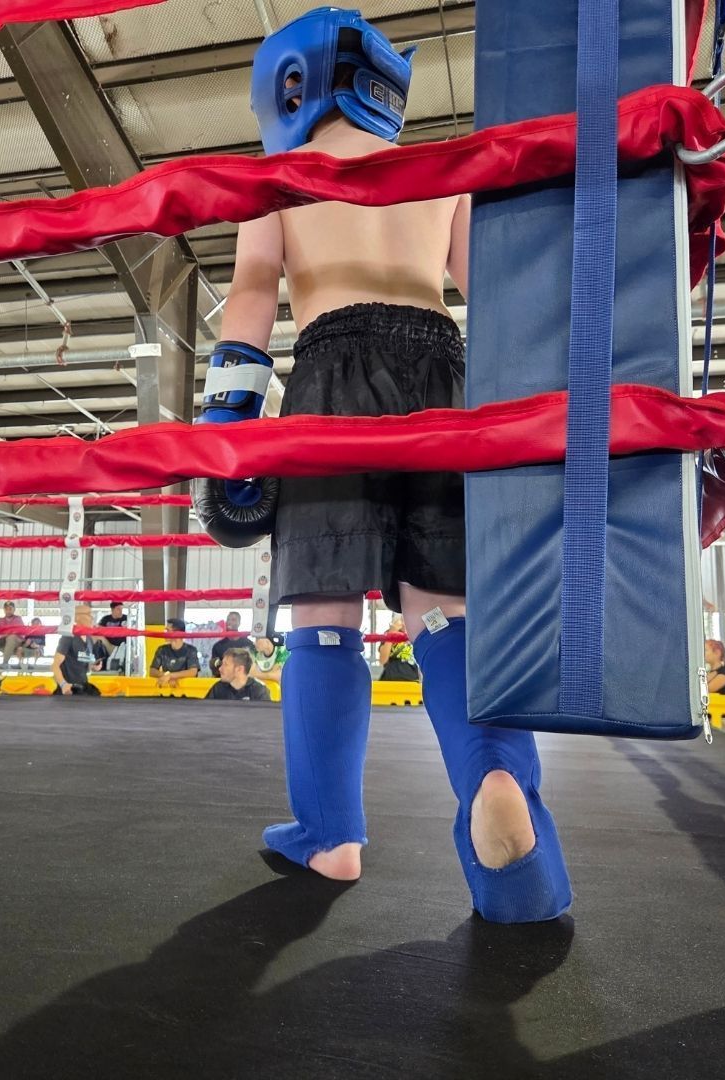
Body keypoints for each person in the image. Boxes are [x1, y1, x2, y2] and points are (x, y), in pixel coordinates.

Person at [208, 8, 571, 922]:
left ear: (288, 84)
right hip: (447, 374)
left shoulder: (278, 180)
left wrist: (227, 429)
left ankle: (330, 837)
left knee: (324, 617)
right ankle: (500, 800)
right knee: (445, 613)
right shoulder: (441, 170)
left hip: (332, 371)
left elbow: (250, 303)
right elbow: (495, 300)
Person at [53, 604, 103, 696]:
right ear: (77, 618)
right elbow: (55, 665)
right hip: (69, 688)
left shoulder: (89, 639)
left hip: (82, 686)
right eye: (88, 615)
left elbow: (83, 663)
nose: (91, 618)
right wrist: (63, 684)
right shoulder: (68, 637)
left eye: (91, 615)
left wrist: (93, 666)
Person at [149, 618, 201, 688]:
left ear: (177, 633)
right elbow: (152, 671)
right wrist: (166, 676)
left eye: (167, 630)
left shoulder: (191, 650)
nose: (164, 633)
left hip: (187, 690)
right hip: (167, 690)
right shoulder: (162, 650)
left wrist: (170, 676)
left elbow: (192, 672)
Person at [206, 648, 272, 701]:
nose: (220, 668)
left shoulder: (258, 690)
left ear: (239, 669)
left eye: (225, 665)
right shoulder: (218, 688)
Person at [209, 612, 254, 676]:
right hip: (224, 679)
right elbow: (214, 669)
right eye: (228, 620)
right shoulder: (218, 646)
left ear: (239, 623)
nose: (229, 622)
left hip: (243, 679)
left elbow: (253, 666)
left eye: (233, 620)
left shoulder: (248, 644)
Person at [377, 615, 420, 681]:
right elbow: (382, 660)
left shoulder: (416, 635)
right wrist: (391, 633)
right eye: (403, 620)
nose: (404, 623)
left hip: (412, 678)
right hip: (391, 677)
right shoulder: (389, 633)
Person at [0, 601, 26, 666]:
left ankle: (5, 663)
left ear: (14, 609)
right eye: (6, 609)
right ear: (4, 610)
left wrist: (1, 635)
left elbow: (13, 631)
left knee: (11, 637)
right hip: (3, 642)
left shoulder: (17, 619)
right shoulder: (0, 620)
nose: (8, 611)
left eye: (10, 609)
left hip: (17, 642)